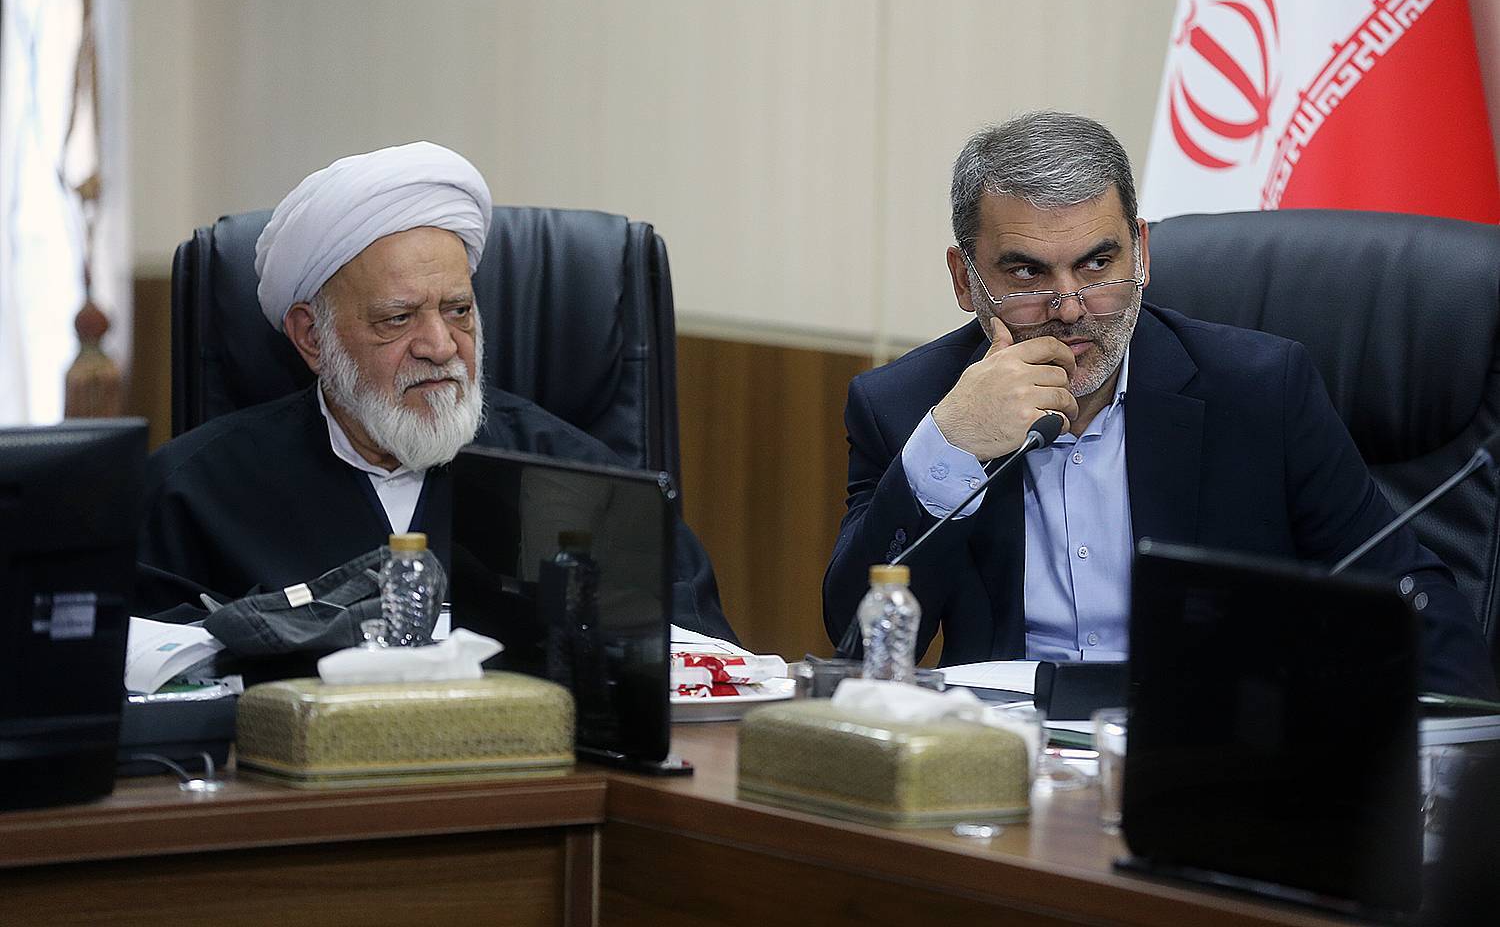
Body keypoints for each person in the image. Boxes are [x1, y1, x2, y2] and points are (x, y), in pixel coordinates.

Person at [823, 111, 1496, 698]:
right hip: (1002, 761)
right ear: (964, 281)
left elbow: (1415, 604)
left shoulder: (1259, 392)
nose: (1070, 308)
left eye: (1097, 265)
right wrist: (951, 447)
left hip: (1204, 752)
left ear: (1141, 254)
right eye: (1027, 273)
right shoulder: (908, 406)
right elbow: (857, 642)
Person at [139, 141, 736, 642]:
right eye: (398, 319)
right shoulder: (191, 495)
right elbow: (144, 682)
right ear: (312, 337)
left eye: (458, 310)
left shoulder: (584, 482)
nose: (441, 345)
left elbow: (698, 664)